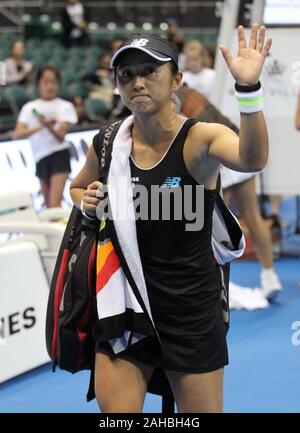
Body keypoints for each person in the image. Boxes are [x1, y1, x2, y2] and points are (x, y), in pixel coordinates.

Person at [69, 26, 272, 413]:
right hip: (124, 308)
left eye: (149, 71)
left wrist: (249, 91)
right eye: (126, 75)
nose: (137, 82)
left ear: (176, 79)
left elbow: (252, 159)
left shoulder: (200, 140)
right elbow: (78, 189)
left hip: (190, 314)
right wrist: (88, 202)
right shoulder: (109, 141)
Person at [176, 85, 282, 301]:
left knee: (212, 224)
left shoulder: (181, 99)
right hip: (233, 146)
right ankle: (270, 277)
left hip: (222, 154)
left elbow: (197, 134)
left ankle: (219, 283)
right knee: (250, 217)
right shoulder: (188, 94)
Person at [12, 66, 78, 208]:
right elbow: (17, 134)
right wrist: (42, 125)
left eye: (53, 82)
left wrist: (48, 125)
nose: (50, 86)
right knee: (48, 206)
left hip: (59, 155)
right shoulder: (29, 107)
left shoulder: (65, 106)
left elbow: (60, 136)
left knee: (54, 204)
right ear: (39, 84)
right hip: (40, 158)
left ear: (59, 84)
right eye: (46, 81)